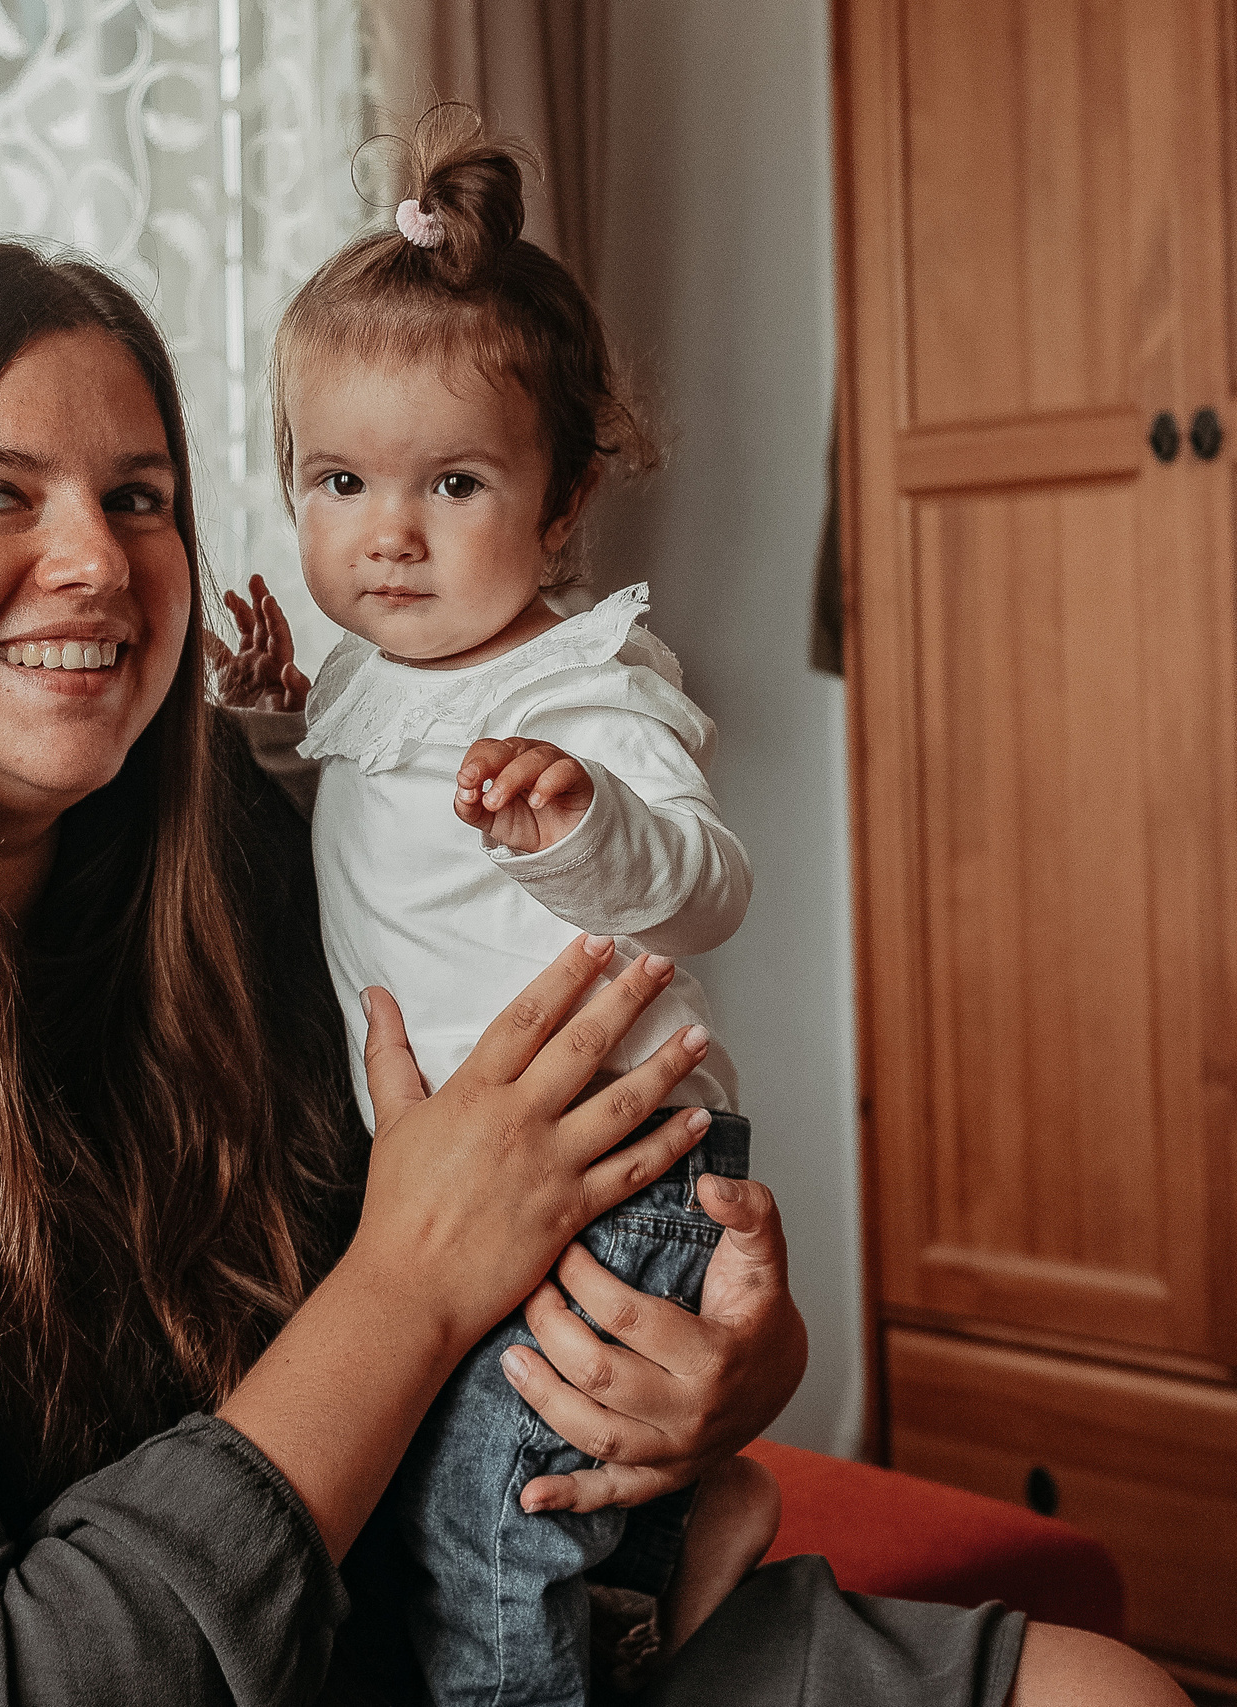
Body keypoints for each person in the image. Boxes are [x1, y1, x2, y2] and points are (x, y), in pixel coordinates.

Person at [0, 237, 1188, 1706]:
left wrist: (729, 1369)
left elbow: (568, 1148)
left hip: (390, 1628)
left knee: (1108, 1691)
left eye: (140, 498)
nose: (97, 562)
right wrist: (420, 1270)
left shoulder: (225, 859)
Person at [212, 105, 776, 1706]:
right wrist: (268, 717)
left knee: (483, 1529)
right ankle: (684, 1540)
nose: (388, 531)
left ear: (567, 492)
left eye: (453, 481)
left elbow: (707, 888)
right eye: (338, 479)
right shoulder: (372, 677)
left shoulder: (579, 686)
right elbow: (375, 823)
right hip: (477, 1192)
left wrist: (580, 823)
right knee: (452, 1488)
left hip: (606, 1177)